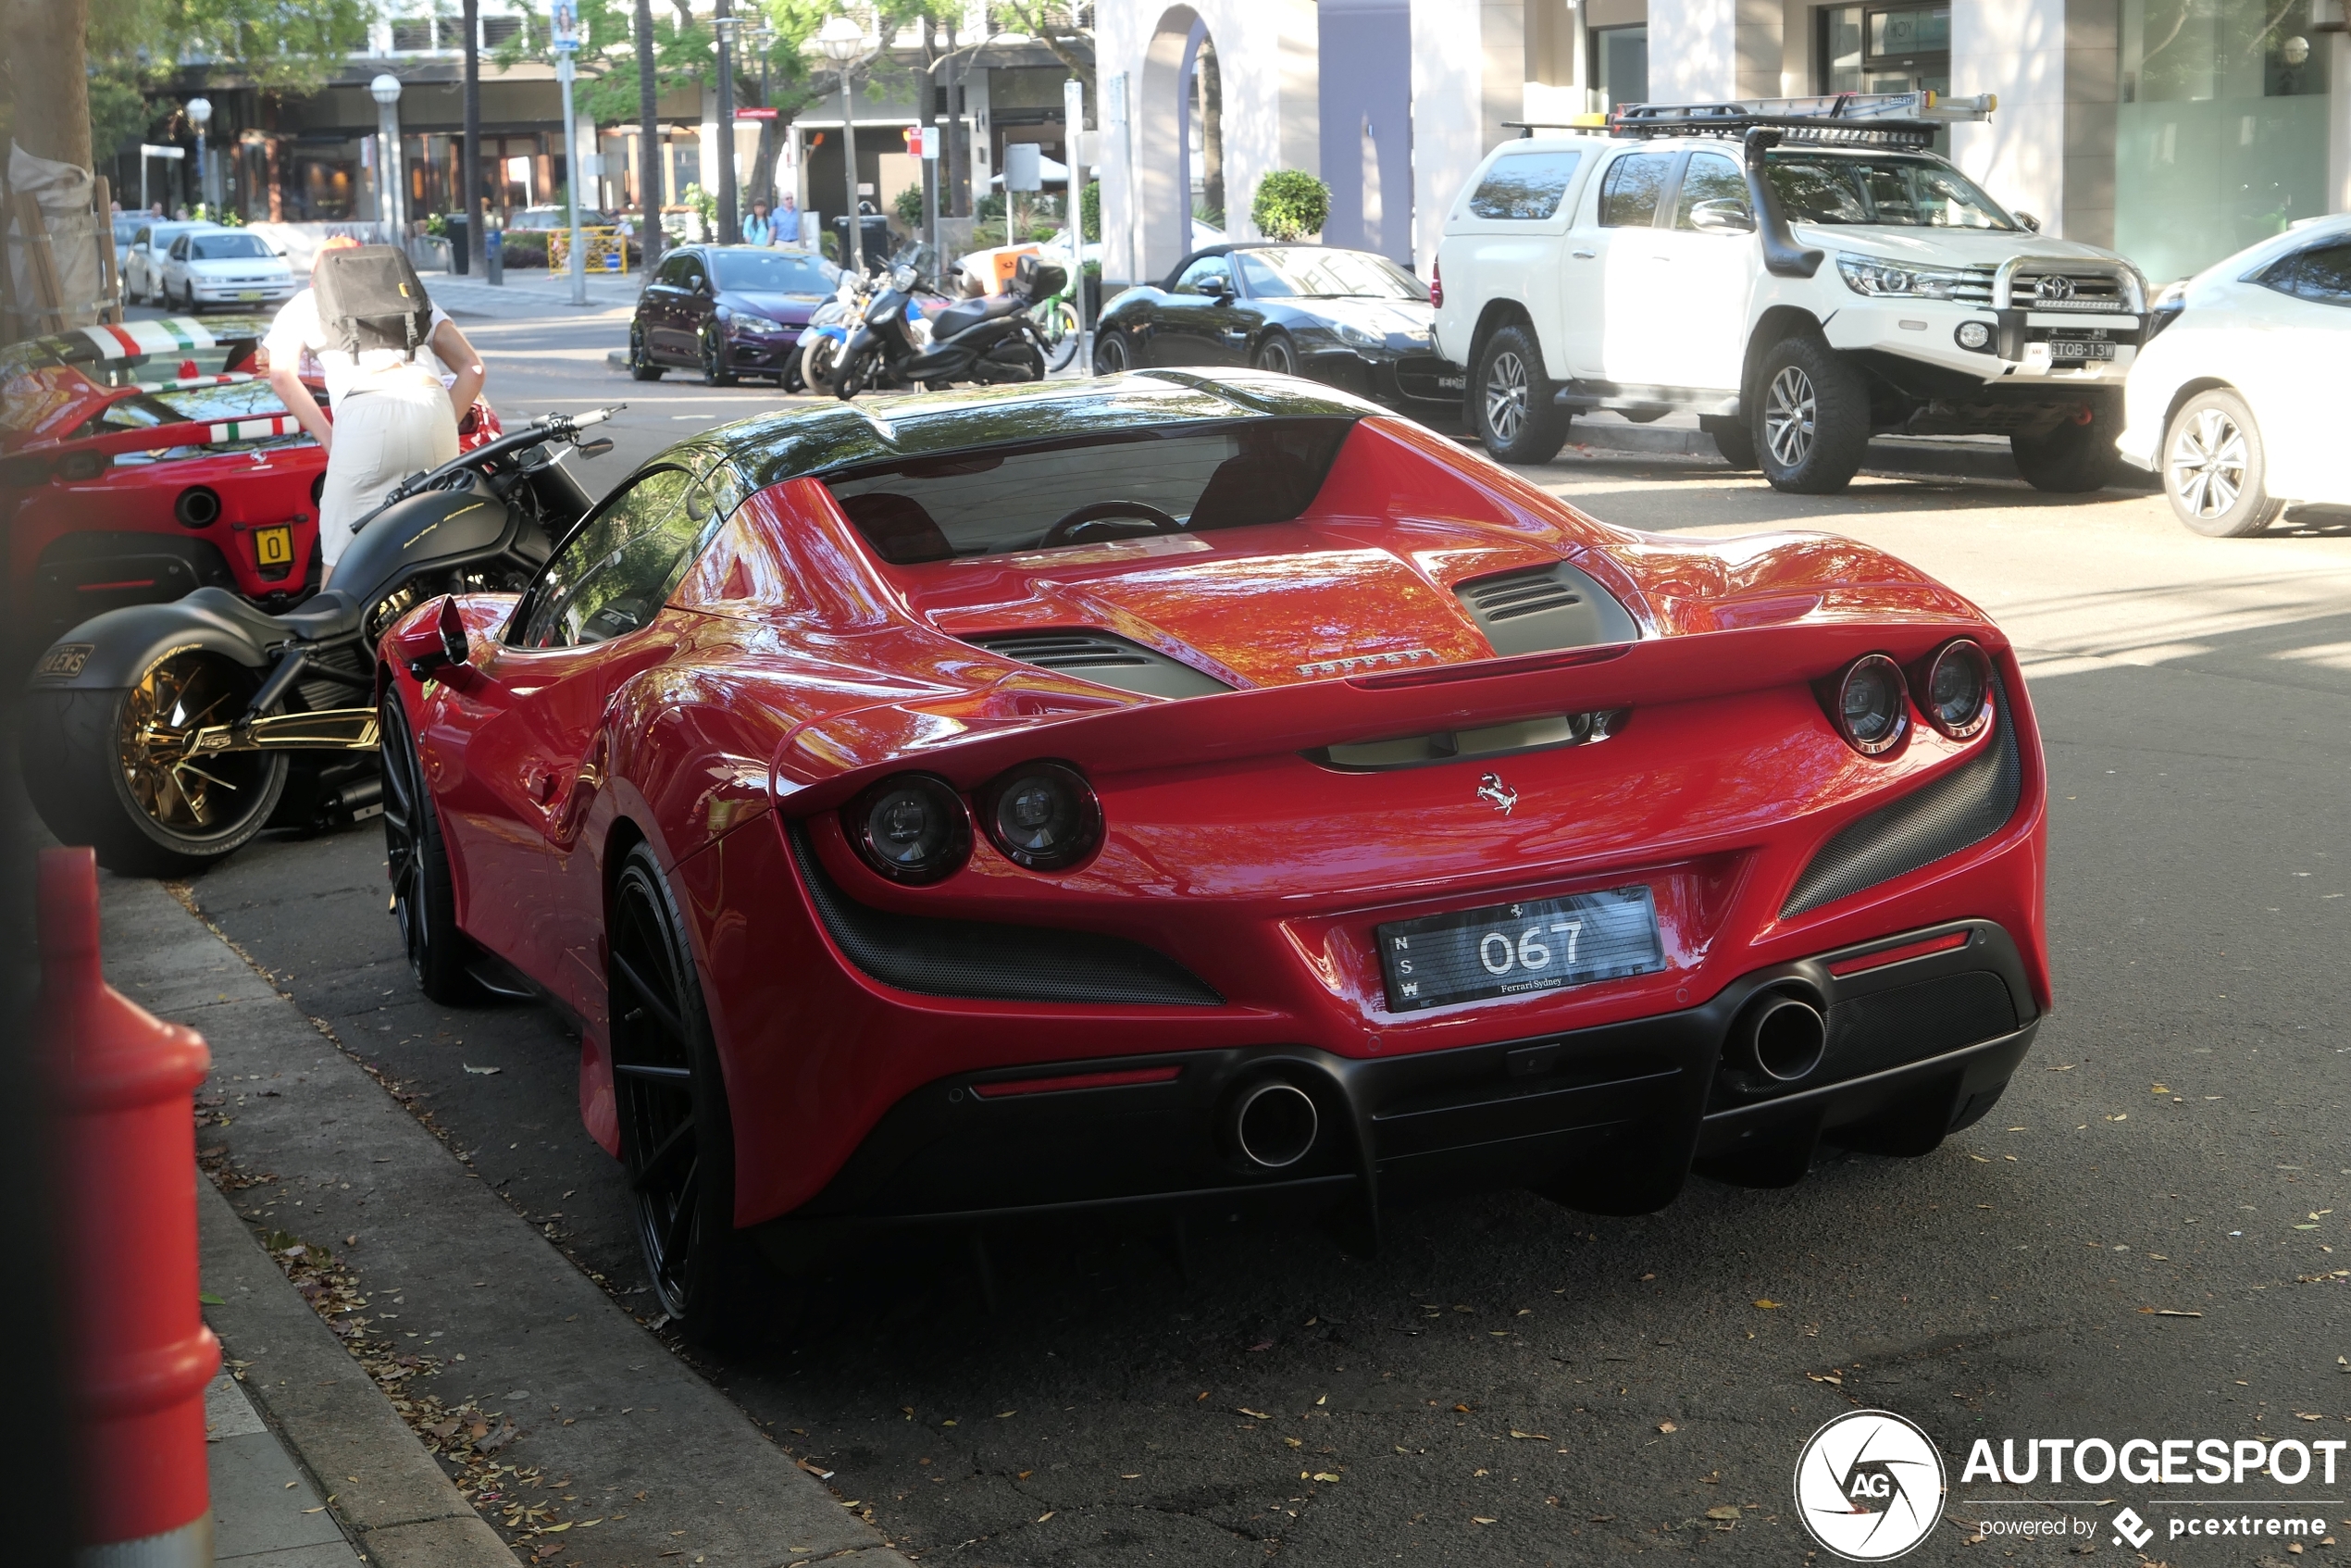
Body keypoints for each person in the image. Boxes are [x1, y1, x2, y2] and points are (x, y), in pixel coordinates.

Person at [264, 236, 487, 583]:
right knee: (432, 547)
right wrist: (443, 421)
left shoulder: (307, 301)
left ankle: (341, 633)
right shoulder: (409, 297)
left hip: (365, 412)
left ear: (320, 274)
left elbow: (280, 375)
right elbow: (473, 369)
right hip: (432, 405)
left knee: (341, 559)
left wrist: (331, 438)